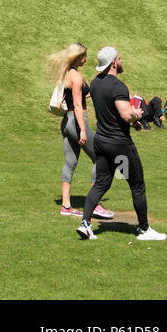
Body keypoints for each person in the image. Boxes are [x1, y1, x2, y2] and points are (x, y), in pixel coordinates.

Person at [77, 47, 166, 242]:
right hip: (120, 147)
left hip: (101, 143)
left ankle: (85, 223)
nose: (121, 59)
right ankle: (144, 230)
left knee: (101, 183)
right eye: (119, 58)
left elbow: (111, 112)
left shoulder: (95, 84)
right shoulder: (118, 87)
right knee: (137, 185)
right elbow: (125, 114)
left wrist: (130, 122)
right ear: (114, 63)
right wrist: (139, 114)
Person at [46, 43, 113, 219]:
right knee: (100, 159)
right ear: (77, 58)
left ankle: (66, 206)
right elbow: (77, 104)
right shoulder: (75, 76)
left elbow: (83, 95)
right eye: (84, 56)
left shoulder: (66, 73)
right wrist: (82, 130)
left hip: (66, 122)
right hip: (76, 121)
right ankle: (95, 204)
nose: (86, 59)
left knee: (70, 162)